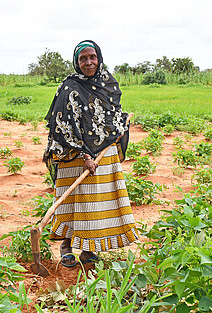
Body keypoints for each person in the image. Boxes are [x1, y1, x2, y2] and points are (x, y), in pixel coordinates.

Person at [43, 40, 138, 267]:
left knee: (95, 202)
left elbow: (111, 115)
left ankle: (87, 250)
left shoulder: (108, 83)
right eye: (83, 58)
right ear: (76, 62)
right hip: (73, 154)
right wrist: (85, 155)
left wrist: (119, 127)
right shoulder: (69, 87)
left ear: (99, 57)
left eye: (92, 57)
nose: (88, 62)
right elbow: (62, 124)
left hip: (103, 153)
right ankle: (66, 246)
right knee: (73, 201)